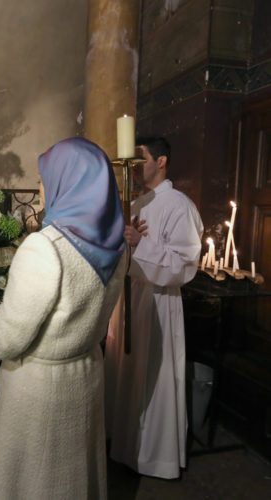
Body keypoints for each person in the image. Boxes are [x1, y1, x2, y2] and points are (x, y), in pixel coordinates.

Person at [0, 137, 127, 499]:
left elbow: (3, 341)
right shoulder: (119, 246)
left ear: (65, 182)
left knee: (37, 483)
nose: (40, 188)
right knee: (74, 481)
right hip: (85, 374)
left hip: (40, 390)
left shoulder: (45, 247)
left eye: (44, 178)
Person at [105, 136, 204, 479]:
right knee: (125, 372)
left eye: (140, 159)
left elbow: (184, 265)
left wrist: (140, 243)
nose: (134, 168)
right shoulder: (136, 202)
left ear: (161, 161)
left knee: (153, 378)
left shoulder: (179, 205)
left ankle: (151, 456)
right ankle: (123, 444)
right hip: (130, 296)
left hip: (158, 301)